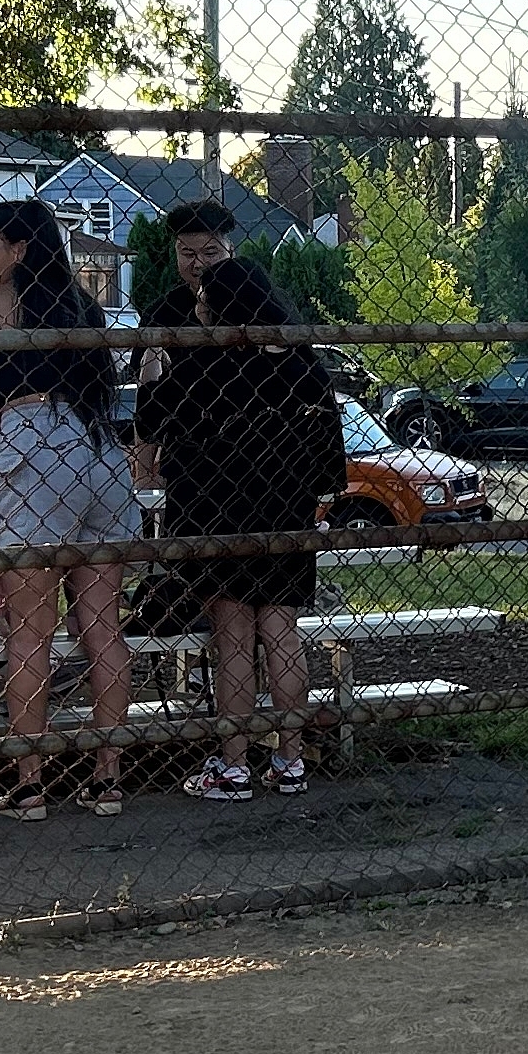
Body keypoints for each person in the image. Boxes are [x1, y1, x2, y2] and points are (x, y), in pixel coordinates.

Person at [132, 234, 345, 801]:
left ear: (223, 307)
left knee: (233, 637)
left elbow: (158, 415)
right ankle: (290, 759)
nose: (197, 305)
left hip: (220, 512)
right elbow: (329, 441)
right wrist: (317, 495)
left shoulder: (208, 360)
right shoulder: (301, 360)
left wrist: (156, 367)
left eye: (207, 298)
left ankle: (232, 764)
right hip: (285, 509)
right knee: (281, 632)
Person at [0, 198, 136, 817]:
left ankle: (30, 783)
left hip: (32, 452)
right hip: (98, 450)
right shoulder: (83, 308)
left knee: (30, 632)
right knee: (102, 626)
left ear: (20, 248)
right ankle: (107, 776)